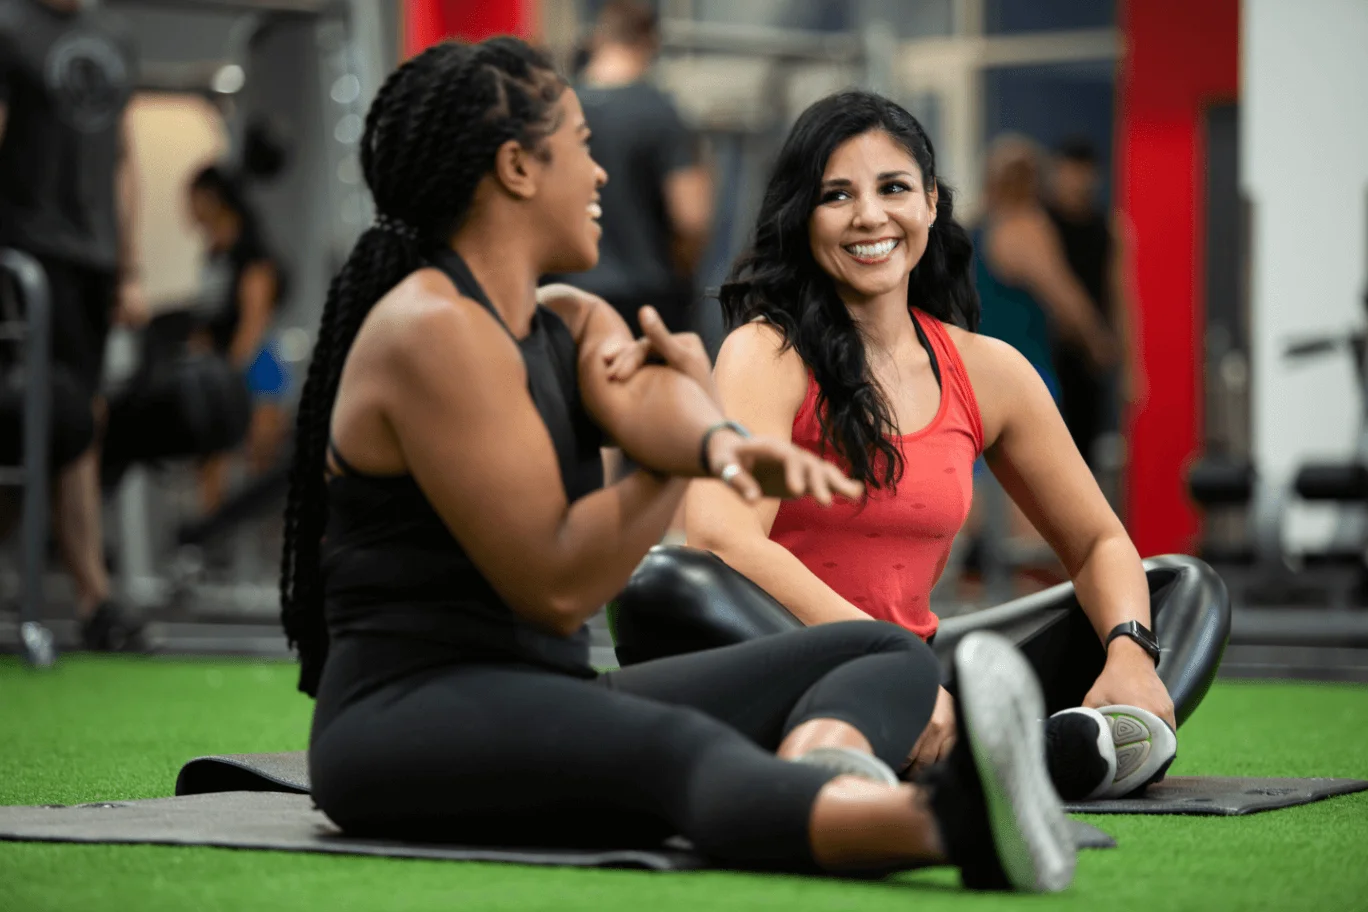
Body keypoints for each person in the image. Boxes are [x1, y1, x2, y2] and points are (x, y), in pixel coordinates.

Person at [280, 37, 1076, 892]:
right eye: (582, 146)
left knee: (886, 653)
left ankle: (834, 763)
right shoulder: (430, 331)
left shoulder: (567, 317)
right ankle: (950, 823)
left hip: (544, 694)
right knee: (679, 751)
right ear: (516, 167)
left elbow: (645, 403)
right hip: (406, 723)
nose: (600, 177)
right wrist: (675, 474)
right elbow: (552, 585)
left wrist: (713, 438)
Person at [683, 92, 1176, 801]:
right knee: (678, 582)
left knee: (1178, 593)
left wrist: (1131, 650)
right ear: (803, 215)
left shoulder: (988, 370)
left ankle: (1017, 742)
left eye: (893, 188)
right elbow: (722, 537)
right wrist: (889, 660)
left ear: (932, 204)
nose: (870, 216)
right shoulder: (768, 351)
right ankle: (1024, 758)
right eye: (836, 195)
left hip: (914, 666)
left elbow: (1100, 541)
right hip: (785, 656)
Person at [0, 0, 146, 650]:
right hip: (29, 250)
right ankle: (94, 594)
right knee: (44, 418)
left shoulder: (112, 36)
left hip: (93, 259)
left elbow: (123, 156)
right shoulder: (10, 25)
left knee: (77, 421)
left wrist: (130, 265)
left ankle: (92, 602)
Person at [555, 0, 711, 337]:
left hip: (565, 294)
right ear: (649, 42)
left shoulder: (559, 109)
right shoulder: (659, 113)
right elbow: (691, 217)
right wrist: (683, 273)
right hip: (644, 302)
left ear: (597, 39)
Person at [185, 164, 287, 512]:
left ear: (213, 198)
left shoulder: (250, 251)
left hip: (254, 365)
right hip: (218, 369)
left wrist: (229, 375)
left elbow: (254, 321)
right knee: (210, 463)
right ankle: (214, 554)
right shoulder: (213, 255)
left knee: (260, 464)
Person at [1047, 137, 1145, 467]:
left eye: (1084, 173)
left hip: (1090, 359)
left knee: (1082, 455)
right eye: (1070, 172)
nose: (1077, 181)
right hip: (1047, 349)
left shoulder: (1108, 227)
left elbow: (1121, 296)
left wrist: (1132, 368)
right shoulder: (1040, 223)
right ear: (1057, 172)